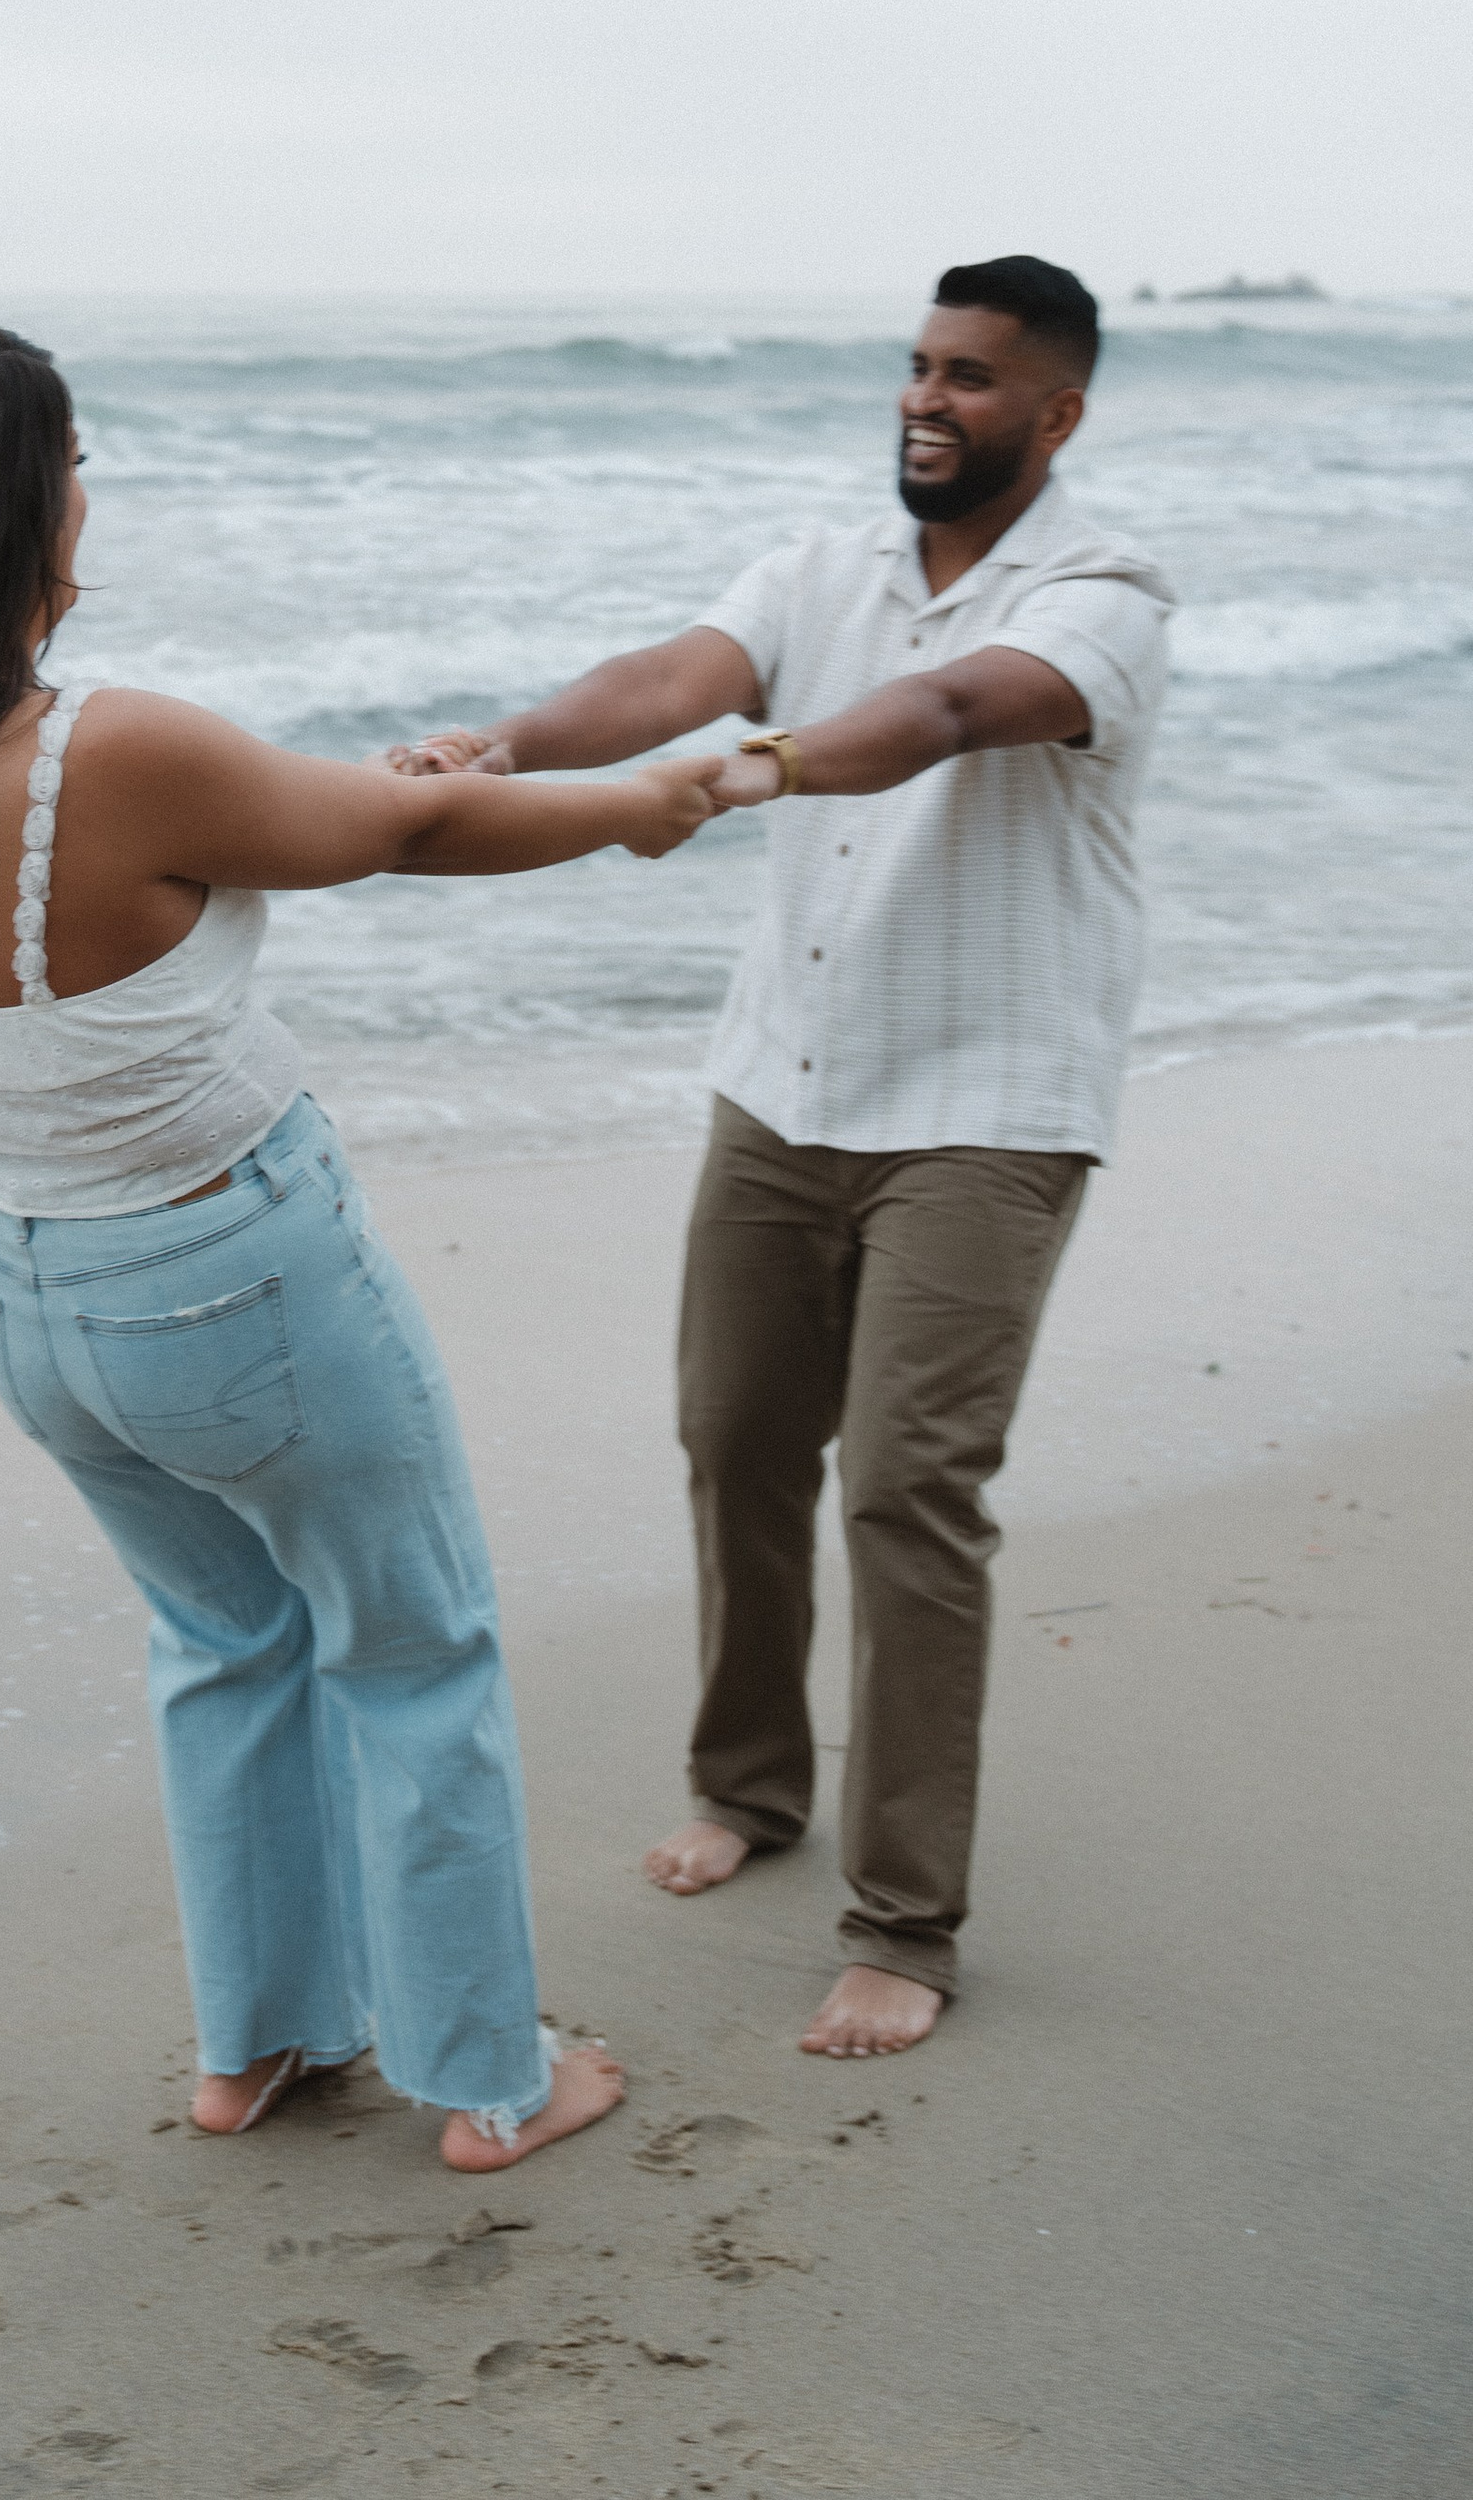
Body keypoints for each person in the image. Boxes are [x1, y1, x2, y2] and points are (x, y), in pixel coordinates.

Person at [0, 316, 726, 2167]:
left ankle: (257, 2047)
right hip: (232, 1282)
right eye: (68, 465)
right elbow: (409, 838)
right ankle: (490, 2080)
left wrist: (395, 783)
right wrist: (643, 802)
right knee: (413, 1647)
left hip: (21, 1294)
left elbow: (326, 815)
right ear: (14, 500)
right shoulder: (109, 749)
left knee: (222, 1641)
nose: (80, 500)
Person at [389, 259, 1172, 2059]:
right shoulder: (821, 572)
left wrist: (746, 778)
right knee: (737, 1437)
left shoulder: (1107, 592)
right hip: (784, 1087)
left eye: (971, 377)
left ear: (1053, 414)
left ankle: (905, 1918)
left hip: (985, 1106)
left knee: (908, 1487)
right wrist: (511, 745)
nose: (927, 398)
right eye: (916, 366)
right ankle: (748, 1786)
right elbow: (672, 676)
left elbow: (956, 717)